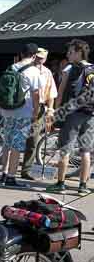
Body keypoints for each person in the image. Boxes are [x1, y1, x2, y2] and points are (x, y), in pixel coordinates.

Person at [48, 40, 93, 194]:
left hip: (73, 113)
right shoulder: (93, 68)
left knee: (65, 149)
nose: (68, 55)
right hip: (90, 115)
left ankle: (60, 184)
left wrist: (56, 111)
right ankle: (82, 186)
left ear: (79, 52)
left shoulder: (69, 68)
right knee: (85, 151)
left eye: (71, 52)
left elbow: (60, 93)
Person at [0, 43, 42, 188]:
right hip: (23, 111)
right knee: (17, 144)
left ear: (22, 54)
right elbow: (36, 94)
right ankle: (11, 177)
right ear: (34, 55)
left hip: (7, 110)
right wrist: (36, 112)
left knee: (7, 142)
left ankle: (3, 173)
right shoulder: (34, 71)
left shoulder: (11, 67)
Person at [21, 48, 58, 180]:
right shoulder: (25, 68)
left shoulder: (47, 72)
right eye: (37, 57)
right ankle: (8, 167)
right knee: (17, 137)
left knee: (33, 139)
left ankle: (26, 170)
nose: (39, 60)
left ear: (45, 59)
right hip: (23, 105)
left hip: (39, 107)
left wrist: (50, 108)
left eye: (42, 58)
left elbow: (51, 92)